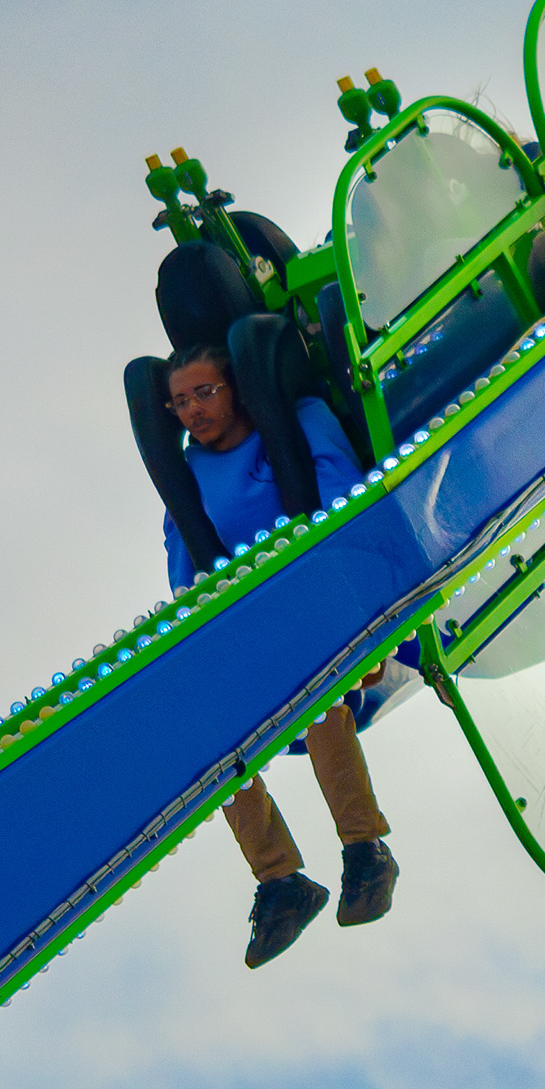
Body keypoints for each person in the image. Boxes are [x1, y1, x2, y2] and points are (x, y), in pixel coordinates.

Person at [159, 344, 401, 965]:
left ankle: (366, 850)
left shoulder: (299, 421)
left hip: (329, 592)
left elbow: (347, 494)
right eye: (180, 401)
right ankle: (281, 882)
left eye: (205, 393)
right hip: (253, 624)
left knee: (315, 699)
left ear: (236, 387)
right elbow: (183, 574)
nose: (194, 411)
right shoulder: (187, 477)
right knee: (201, 736)